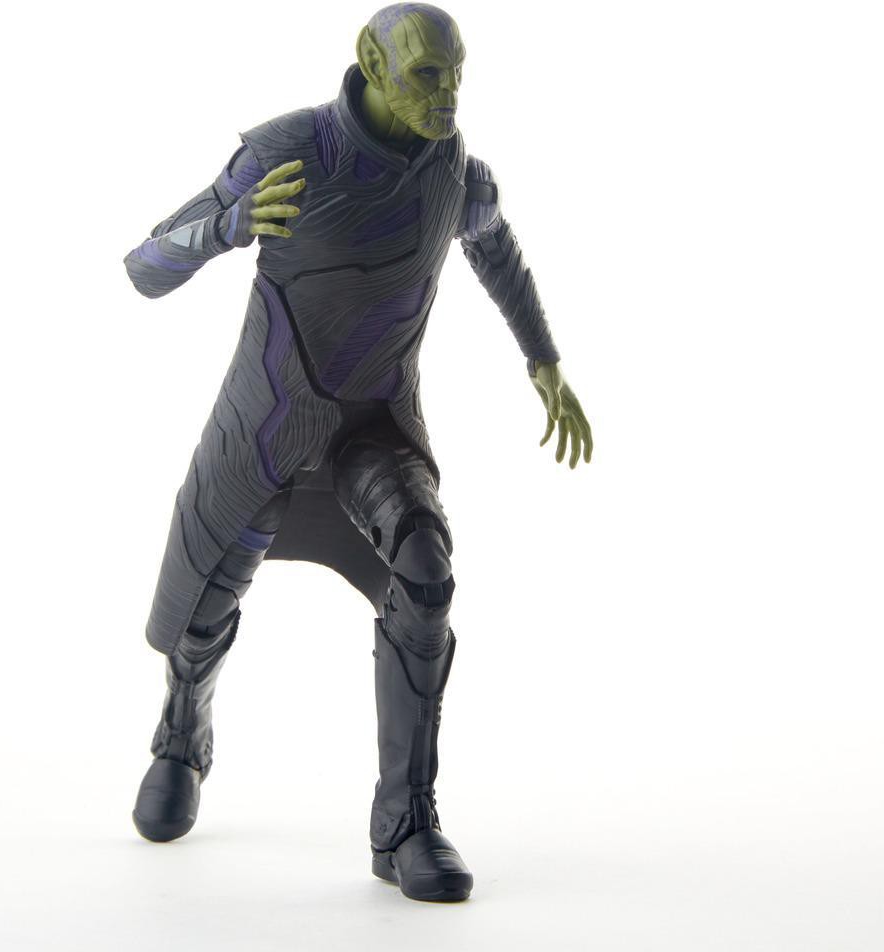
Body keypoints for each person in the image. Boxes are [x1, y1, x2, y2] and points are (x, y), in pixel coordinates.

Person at [123, 2, 593, 903]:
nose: (449, 93)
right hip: (266, 426)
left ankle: (404, 821)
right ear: (373, 66)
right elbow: (145, 267)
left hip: (376, 429)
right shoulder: (287, 153)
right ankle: (182, 735)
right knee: (203, 611)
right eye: (427, 74)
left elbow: (496, 249)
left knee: (426, 575)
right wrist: (228, 223)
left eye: (458, 72)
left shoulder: (458, 176)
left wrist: (544, 360)